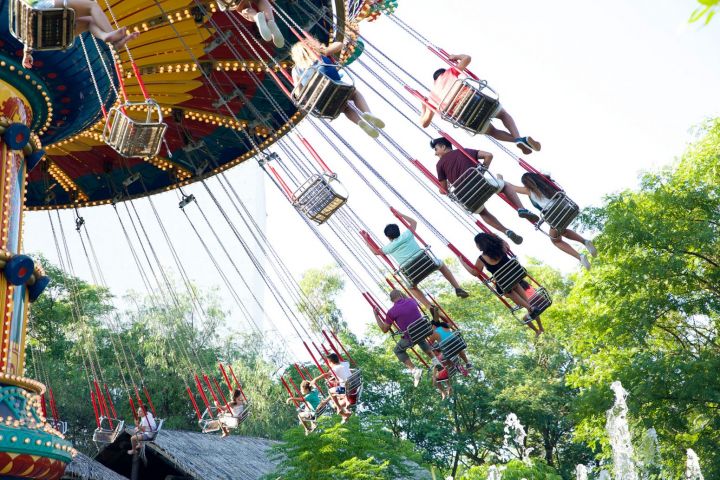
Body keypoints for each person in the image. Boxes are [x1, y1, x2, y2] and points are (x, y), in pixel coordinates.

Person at [419, 53, 540, 155]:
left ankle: (518, 141)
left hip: (466, 118)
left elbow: (424, 123)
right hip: (477, 102)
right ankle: (518, 138)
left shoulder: (431, 98)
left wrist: (423, 106)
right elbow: (467, 58)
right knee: (502, 114)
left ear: (434, 80)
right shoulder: (448, 73)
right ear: (442, 73)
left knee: (492, 132)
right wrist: (455, 56)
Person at [432, 136, 538, 245]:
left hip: (465, 196)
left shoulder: (439, 164)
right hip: (479, 183)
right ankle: (521, 209)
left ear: (443, 147)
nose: (435, 153)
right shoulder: (463, 151)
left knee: (482, 212)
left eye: (436, 149)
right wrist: (482, 171)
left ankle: (506, 231)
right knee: (505, 185)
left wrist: (443, 189)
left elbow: (444, 190)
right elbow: (488, 155)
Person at [364, 210, 469, 307]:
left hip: (412, 273)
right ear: (398, 231)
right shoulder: (407, 234)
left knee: (412, 288)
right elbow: (414, 222)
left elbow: (375, 251)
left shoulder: (389, 248)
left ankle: (429, 306)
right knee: (441, 265)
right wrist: (400, 215)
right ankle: (457, 288)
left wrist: (365, 239)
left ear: (388, 237)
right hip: (426, 263)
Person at [291, 37, 384, 138]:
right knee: (354, 93)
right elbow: (340, 44)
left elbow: (298, 91)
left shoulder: (295, 70)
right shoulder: (319, 54)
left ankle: (360, 122)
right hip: (335, 87)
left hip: (320, 102)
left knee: (344, 108)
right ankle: (368, 113)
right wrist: (325, 50)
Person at [505, 172, 597, 270]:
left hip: (553, 214)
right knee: (563, 231)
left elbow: (510, 187)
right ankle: (585, 241)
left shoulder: (528, 190)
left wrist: (500, 179)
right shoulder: (547, 182)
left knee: (556, 241)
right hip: (567, 208)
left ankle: (580, 257)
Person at [465, 232, 544, 336]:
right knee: (521, 296)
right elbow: (504, 243)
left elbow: (474, 272)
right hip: (515, 277)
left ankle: (531, 309)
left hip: (504, 284)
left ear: (480, 244)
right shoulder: (501, 246)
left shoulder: (482, 258)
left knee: (508, 292)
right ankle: (537, 322)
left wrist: (463, 262)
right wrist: (493, 236)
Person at [22, 0, 140, 69]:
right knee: (92, 6)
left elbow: (28, 29)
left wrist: (26, 53)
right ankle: (114, 38)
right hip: (46, 9)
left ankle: (106, 37)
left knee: (90, 20)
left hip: (47, 31)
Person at [374, 289, 441, 387]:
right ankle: (436, 361)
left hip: (411, 336)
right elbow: (406, 301)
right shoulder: (412, 301)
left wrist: (376, 315)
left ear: (392, 300)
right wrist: (402, 295)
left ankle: (414, 370)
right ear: (401, 295)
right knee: (420, 338)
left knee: (398, 350)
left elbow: (385, 329)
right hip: (424, 330)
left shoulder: (391, 312)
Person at [313, 353, 353, 422]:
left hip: (345, 388)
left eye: (328, 363)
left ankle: (339, 408)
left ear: (330, 362)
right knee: (336, 398)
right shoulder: (345, 363)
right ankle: (344, 413)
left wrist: (315, 379)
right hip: (354, 384)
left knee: (330, 391)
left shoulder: (335, 368)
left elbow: (326, 374)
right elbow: (343, 369)